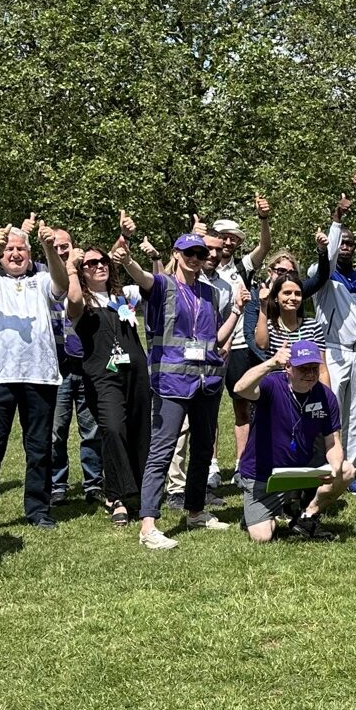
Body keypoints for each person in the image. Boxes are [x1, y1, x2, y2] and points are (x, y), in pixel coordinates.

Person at [116, 233, 242, 549]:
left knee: (202, 449)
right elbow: (143, 277)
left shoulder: (211, 294)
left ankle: (195, 511)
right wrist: (128, 259)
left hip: (206, 382)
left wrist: (237, 311)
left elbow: (213, 336)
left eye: (201, 254)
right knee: (162, 450)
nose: (196, 258)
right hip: (171, 383)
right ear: (176, 254)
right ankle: (148, 525)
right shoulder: (162, 285)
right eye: (189, 253)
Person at [0, 217, 69, 530]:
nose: (15, 254)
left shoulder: (40, 279)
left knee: (39, 448)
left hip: (39, 376)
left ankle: (38, 510)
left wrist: (49, 249)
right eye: (10, 248)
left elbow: (62, 287)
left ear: (29, 252)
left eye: (20, 249)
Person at [68, 228, 151, 527]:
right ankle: (116, 495)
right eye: (91, 263)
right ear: (81, 271)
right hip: (104, 377)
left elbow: (152, 281)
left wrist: (124, 245)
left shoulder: (124, 295)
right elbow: (73, 299)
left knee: (140, 430)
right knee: (113, 429)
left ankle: (142, 491)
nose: (99, 265)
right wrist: (70, 270)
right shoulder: (81, 303)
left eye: (103, 261)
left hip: (137, 373)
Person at [233, 340, 351, 542]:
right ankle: (260, 512)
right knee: (262, 537)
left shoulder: (326, 396)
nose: (310, 374)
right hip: (262, 476)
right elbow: (240, 388)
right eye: (303, 368)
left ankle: (308, 514)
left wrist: (334, 468)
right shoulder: (271, 385)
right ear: (288, 367)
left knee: (346, 470)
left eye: (314, 368)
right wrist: (271, 363)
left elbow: (333, 443)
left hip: (300, 472)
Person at [315, 203, 356, 494]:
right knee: (332, 410)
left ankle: (350, 468)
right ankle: (330, 466)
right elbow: (328, 256)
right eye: (343, 242)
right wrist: (336, 221)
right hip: (334, 350)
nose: (347, 247)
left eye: (351, 242)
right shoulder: (323, 275)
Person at [213, 195, 273, 468]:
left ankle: (242, 463)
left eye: (233, 238)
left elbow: (265, 246)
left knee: (242, 405)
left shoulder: (243, 267)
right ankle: (211, 466)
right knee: (208, 410)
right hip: (210, 345)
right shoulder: (201, 265)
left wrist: (263, 219)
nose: (228, 243)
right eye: (223, 237)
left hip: (237, 345)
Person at [48, 227, 104, 508]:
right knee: (56, 430)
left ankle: (93, 483)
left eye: (65, 246)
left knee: (91, 429)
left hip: (86, 364)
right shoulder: (47, 280)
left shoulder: (84, 278)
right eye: (56, 247)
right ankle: (57, 485)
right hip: (57, 365)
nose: (61, 251)